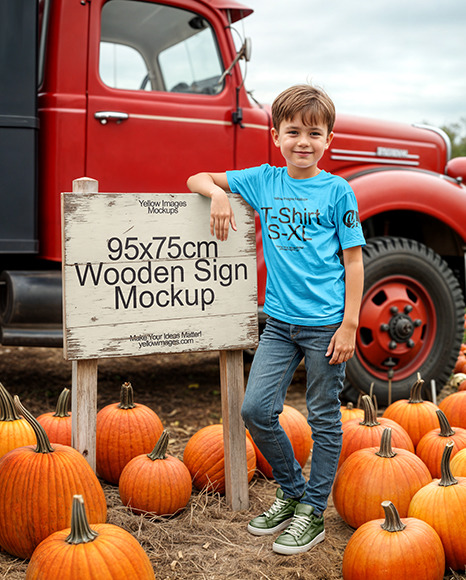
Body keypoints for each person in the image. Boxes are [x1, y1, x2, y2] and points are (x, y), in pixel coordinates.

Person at [186, 84, 365, 555]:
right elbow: (197, 178)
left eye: (314, 133)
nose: (302, 141)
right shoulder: (264, 180)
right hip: (280, 323)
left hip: (327, 326)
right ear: (275, 136)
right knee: (255, 410)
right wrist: (218, 198)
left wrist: (349, 324)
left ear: (329, 140)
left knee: (324, 417)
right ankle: (291, 491)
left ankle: (312, 512)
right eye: (293, 132)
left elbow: (354, 262)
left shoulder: (338, 192)